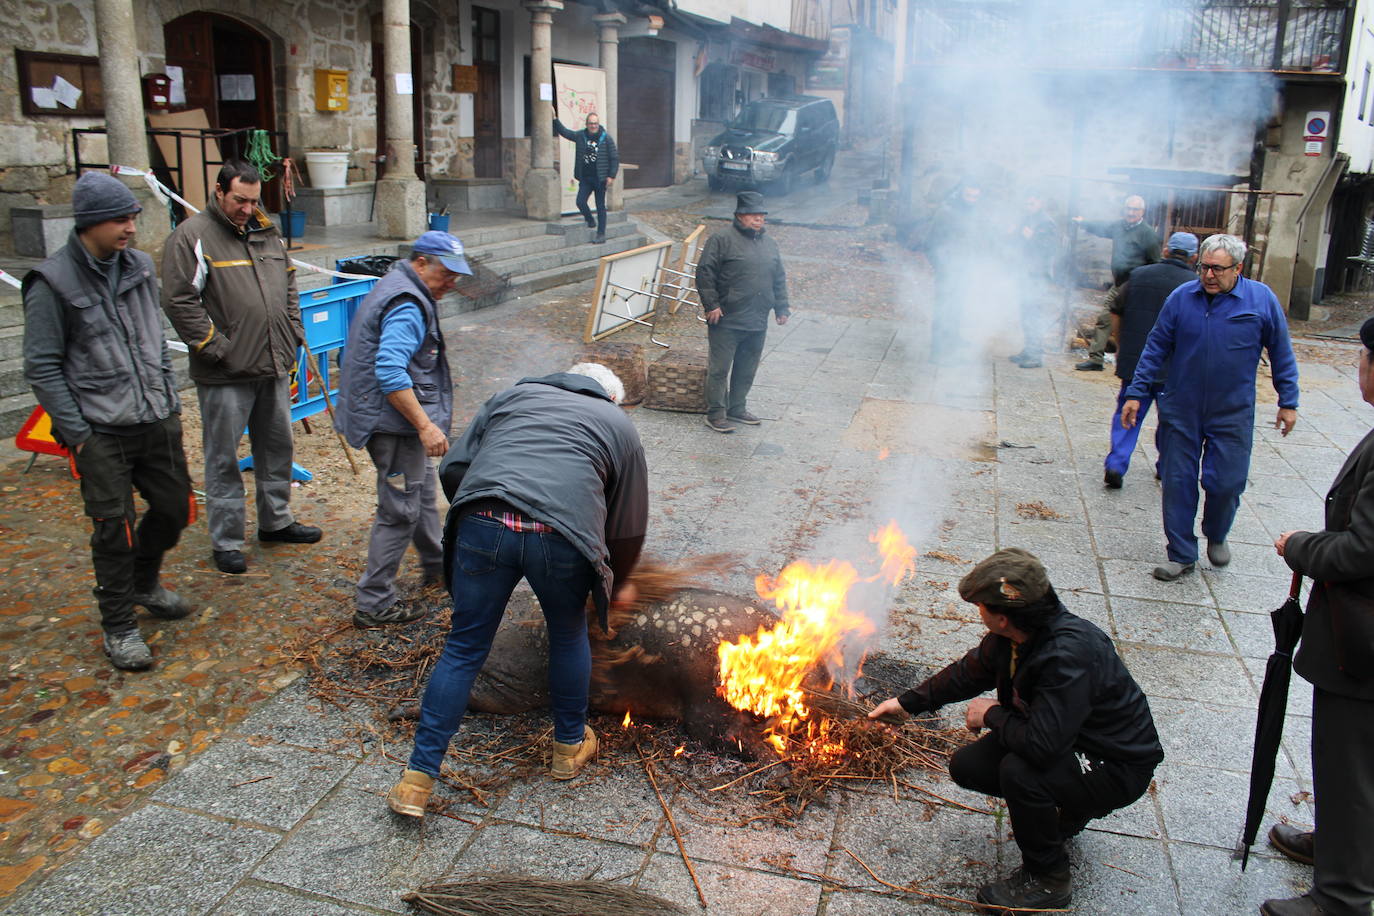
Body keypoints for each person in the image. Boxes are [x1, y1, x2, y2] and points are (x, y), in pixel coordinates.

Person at [387, 364, 648, 818]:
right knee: (568, 633)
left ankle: (417, 780)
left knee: (465, 647)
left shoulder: (511, 397)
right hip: (562, 539)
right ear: (611, 399)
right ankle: (568, 747)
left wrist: (477, 509)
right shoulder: (617, 423)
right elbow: (627, 524)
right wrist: (618, 583)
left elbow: (455, 467)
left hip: (484, 525)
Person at [868, 548, 1163, 913]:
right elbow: (969, 673)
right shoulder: (1018, 637)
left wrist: (991, 714)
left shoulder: (1067, 656)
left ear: (1004, 617)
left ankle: (1049, 879)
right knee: (970, 765)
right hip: (1068, 741)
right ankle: (1066, 807)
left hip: (1115, 765)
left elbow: (1041, 746)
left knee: (1021, 772)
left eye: (981, 607)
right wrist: (906, 703)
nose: (978, 613)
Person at [22, 173, 193, 671]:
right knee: (112, 530)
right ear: (90, 223)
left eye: (134, 218)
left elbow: (153, 338)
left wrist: (169, 400)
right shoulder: (52, 282)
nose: (131, 229)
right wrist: (79, 434)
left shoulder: (139, 266)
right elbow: (43, 367)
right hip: (100, 430)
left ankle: (143, 582)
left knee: (174, 510)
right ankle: (119, 626)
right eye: (121, 220)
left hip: (154, 419)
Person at [162, 160, 321, 575]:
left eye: (253, 201)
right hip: (225, 372)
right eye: (239, 200)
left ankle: (277, 521)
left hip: (272, 362)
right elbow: (179, 300)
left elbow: (288, 285)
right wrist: (217, 348)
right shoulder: (192, 237)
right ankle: (228, 540)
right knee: (223, 458)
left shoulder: (267, 232)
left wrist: (293, 331)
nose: (247, 209)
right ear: (219, 192)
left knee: (277, 447)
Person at [1264, 315, 1374, 916]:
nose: (1359, 368)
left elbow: (1363, 549)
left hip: (1363, 640)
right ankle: (1343, 850)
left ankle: (1343, 897)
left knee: (1350, 761)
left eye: (1362, 358)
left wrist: (1300, 545)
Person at [1122, 233, 1299, 580]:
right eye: (1204, 267)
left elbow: (1281, 352)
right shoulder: (1181, 298)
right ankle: (1182, 553)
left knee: (1226, 482)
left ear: (1238, 268)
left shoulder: (1260, 300)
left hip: (1232, 411)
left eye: (1218, 269)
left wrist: (1288, 401)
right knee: (1177, 481)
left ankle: (1217, 532)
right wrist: (1136, 392)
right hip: (1181, 408)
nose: (1208, 275)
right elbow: (1155, 346)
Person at [334, 231, 470, 628]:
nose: (452, 284)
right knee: (399, 510)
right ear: (421, 262)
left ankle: (436, 565)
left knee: (422, 493)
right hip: (392, 426)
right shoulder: (408, 304)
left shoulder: (398, 282)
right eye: (446, 274)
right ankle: (374, 602)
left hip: (390, 421)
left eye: (456, 276)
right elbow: (390, 371)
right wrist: (426, 425)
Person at [1102, 231, 1198, 489]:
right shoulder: (1196, 286)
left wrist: (1120, 342)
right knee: (1171, 420)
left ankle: (1116, 463)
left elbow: (1114, 309)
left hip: (1136, 361)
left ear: (1166, 250)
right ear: (1194, 257)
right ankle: (1165, 467)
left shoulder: (1139, 276)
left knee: (1128, 411)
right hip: (1174, 368)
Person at [694, 190, 791, 433]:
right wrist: (712, 304)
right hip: (727, 317)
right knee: (720, 369)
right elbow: (705, 273)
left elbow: (778, 277)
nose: (758, 219)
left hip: (757, 317)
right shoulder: (721, 239)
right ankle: (716, 412)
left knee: (747, 367)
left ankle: (737, 407)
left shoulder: (770, 244)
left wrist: (781, 307)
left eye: (761, 215)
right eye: (752, 215)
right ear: (739, 216)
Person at [1072, 195, 1160, 371]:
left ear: (1142, 212)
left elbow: (1155, 262)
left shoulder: (1147, 233)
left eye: (1135, 210)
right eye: (1128, 208)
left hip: (1136, 286)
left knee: (1135, 325)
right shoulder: (1119, 226)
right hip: (1118, 285)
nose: (1130, 212)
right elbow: (1102, 227)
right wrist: (1083, 222)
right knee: (1105, 319)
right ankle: (1096, 359)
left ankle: (1135, 362)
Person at [925, 178, 985, 364]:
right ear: (961, 192)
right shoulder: (947, 211)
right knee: (944, 310)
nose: (972, 199)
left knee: (957, 307)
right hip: (948, 268)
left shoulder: (973, 210)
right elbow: (931, 241)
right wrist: (941, 266)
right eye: (969, 195)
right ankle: (938, 352)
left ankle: (953, 340)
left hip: (963, 268)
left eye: (976, 196)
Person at [1009, 189, 1059, 369]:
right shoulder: (1028, 218)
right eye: (1026, 203)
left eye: (1032, 203)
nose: (1028, 207)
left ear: (1040, 203)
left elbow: (1048, 249)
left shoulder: (1046, 223)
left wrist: (1031, 238)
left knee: (1034, 314)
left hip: (1038, 276)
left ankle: (1035, 354)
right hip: (1026, 273)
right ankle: (1028, 349)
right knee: (1026, 312)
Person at [553, 112, 618, 243]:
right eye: (591, 123)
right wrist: (555, 119)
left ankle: (601, 234)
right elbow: (565, 132)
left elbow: (614, 158)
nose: (593, 126)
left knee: (600, 206)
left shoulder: (606, 138)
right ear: (587, 124)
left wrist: (611, 176)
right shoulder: (580, 136)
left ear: (598, 124)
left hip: (600, 178)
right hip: (586, 178)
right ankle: (590, 220)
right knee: (580, 202)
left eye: (595, 123)